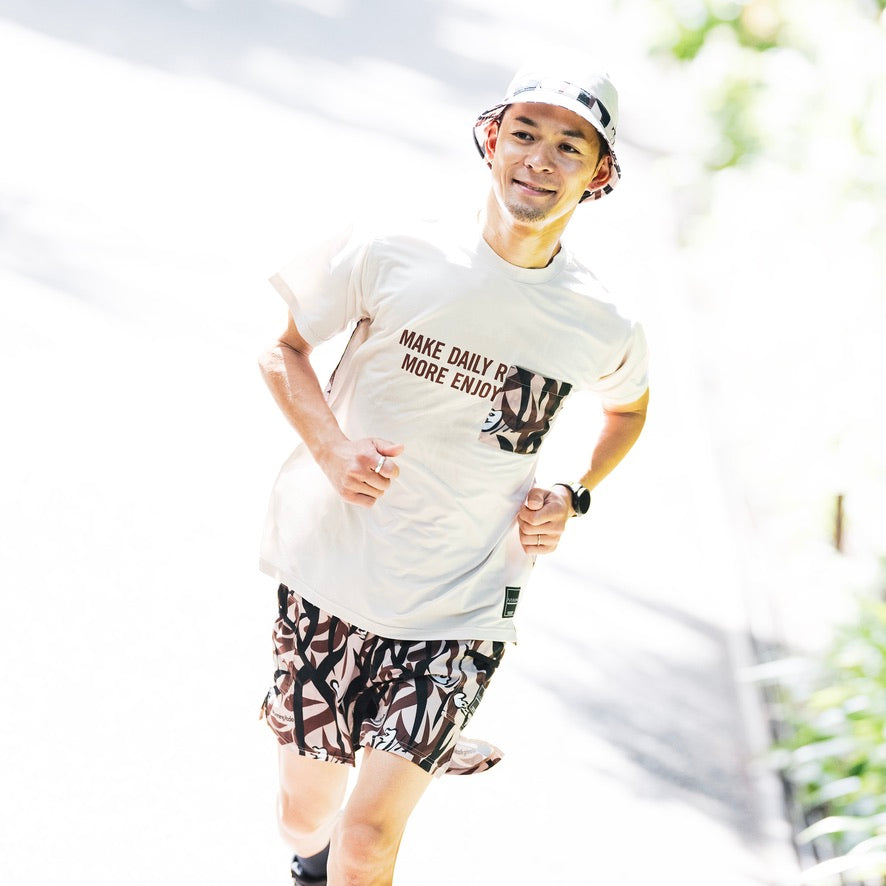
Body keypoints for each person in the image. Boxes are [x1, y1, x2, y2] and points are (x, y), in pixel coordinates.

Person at [257, 59, 650, 886]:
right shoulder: (392, 245)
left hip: (463, 605)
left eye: (569, 146)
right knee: (307, 818)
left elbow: (628, 409)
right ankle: (328, 825)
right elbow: (282, 350)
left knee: (369, 840)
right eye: (525, 134)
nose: (540, 159)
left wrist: (573, 491)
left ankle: (414, 733)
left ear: (598, 174)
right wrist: (333, 450)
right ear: (492, 142)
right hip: (333, 573)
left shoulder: (601, 321)